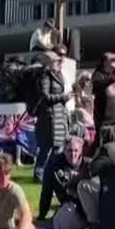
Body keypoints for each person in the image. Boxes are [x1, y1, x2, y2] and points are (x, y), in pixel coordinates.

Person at [28, 50, 70, 184]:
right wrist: (62, 97)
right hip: (49, 116)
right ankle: (39, 174)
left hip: (58, 114)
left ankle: (52, 173)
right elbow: (45, 96)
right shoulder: (45, 76)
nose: (59, 62)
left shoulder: (57, 74)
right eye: (56, 61)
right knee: (47, 148)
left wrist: (64, 100)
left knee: (57, 147)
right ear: (50, 63)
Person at [36, 136, 87, 223]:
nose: (73, 154)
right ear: (64, 150)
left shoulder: (89, 165)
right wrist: (42, 216)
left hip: (87, 207)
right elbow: (46, 192)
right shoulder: (54, 165)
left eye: (76, 150)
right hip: (67, 206)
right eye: (69, 150)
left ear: (81, 151)